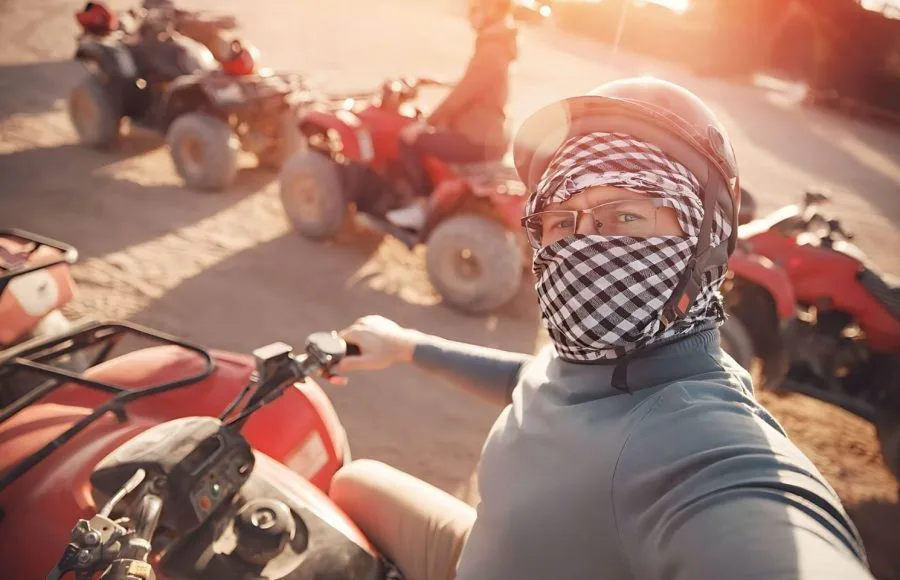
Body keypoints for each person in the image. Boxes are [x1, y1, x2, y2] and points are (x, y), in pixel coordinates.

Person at [328, 77, 875, 580]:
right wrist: (409, 347)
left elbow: (762, 526)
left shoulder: (704, 449)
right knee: (350, 486)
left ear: (708, 235)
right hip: (483, 551)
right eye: (563, 221)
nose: (583, 248)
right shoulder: (599, 360)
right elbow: (543, 385)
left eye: (626, 216)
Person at [385, 0, 518, 231]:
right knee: (434, 136)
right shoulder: (499, 46)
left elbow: (464, 93)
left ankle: (420, 206)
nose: (471, 14)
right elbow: (476, 87)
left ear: (493, 11)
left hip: (476, 139)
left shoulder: (492, 49)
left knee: (409, 139)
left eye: (477, 9)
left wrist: (427, 123)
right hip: (486, 134)